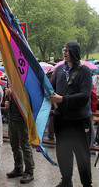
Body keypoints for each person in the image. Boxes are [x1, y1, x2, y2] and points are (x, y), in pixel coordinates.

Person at [49, 41, 92, 187]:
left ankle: (87, 184)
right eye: (63, 49)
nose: (64, 52)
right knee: (63, 153)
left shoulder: (84, 71)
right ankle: (66, 181)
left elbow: (85, 96)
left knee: (82, 156)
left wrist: (62, 99)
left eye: (67, 50)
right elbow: (50, 88)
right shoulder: (59, 69)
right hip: (61, 120)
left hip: (78, 121)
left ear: (74, 52)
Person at [4, 85, 35, 184]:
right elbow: (8, 104)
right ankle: (18, 167)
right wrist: (8, 96)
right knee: (14, 145)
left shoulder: (26, 85)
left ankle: (29, 171)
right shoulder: (12, 85)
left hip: (22, 119)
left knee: (25, 145)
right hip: (12, 118)